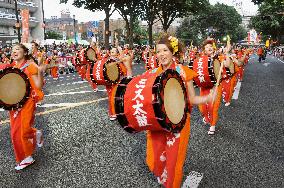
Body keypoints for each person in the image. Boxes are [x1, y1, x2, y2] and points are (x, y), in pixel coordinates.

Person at [145, 34, 216, 188]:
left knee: (174, 161)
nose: (161, 54)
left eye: (165, 50)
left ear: (173, 52)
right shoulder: (152, 74)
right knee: (156, 157)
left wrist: (207, 98)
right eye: (158, 51)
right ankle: (161, 173)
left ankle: (172, 183)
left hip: (179, 124)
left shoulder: (184, 72)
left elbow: (191, 99)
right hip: (158, 124)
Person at [9, 43, 46, 170]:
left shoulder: (30, 65)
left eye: (17, 49)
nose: (14, 52)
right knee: (14, 132)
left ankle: (27, 157)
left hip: (27, 102)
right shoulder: (12, 67)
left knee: (23, 130)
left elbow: (38, 85)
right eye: (12, 50)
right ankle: (36, 134)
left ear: (25, 52)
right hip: (14, 103)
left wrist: (40, 72)